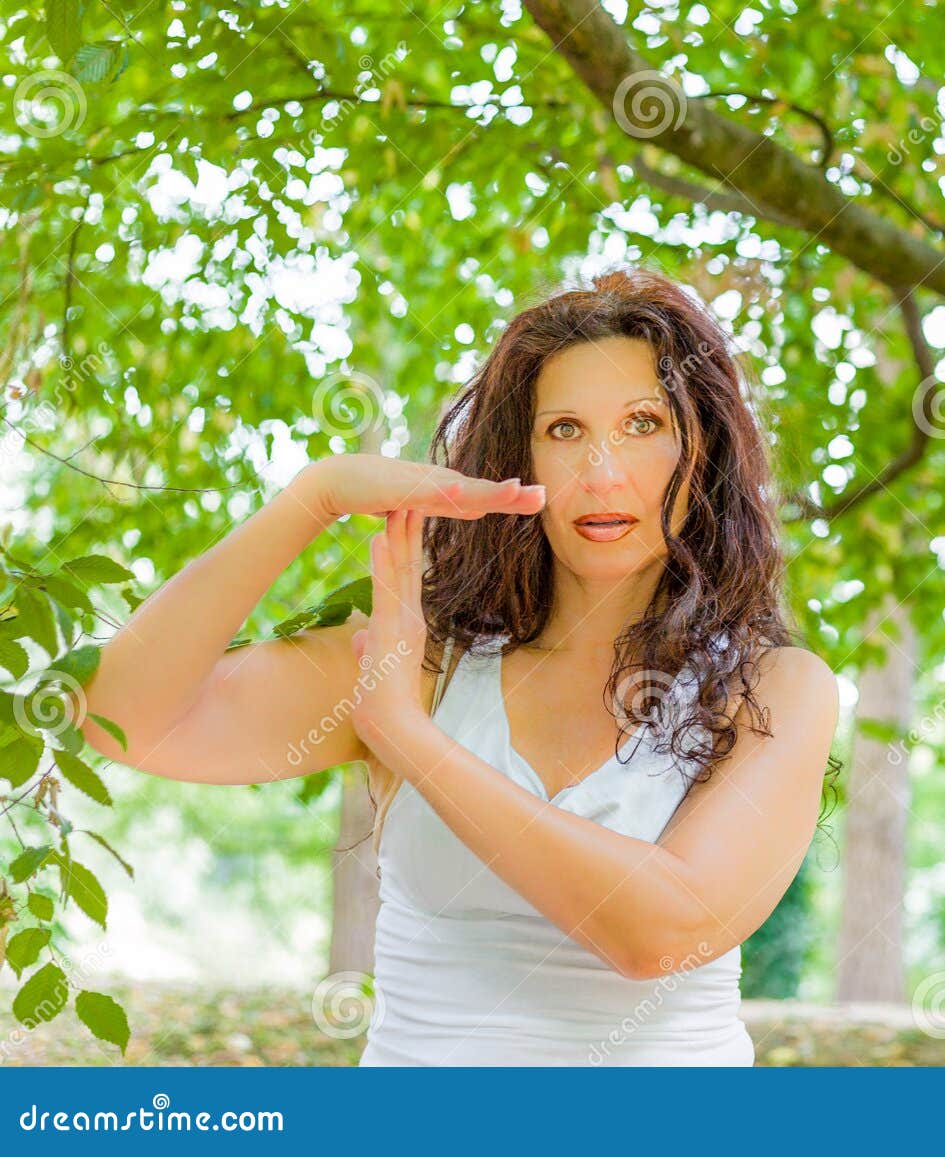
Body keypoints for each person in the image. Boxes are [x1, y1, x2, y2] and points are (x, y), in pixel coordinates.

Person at [82, 265, 842, 1066]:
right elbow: (126, 719)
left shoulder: (773, 688)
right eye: (565, 430)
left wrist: (408, 738)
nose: (602, 472)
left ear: (704, 451)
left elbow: (662, 932)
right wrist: (313, 497)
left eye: (643, 423)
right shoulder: (422, 660)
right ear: (522, 457)